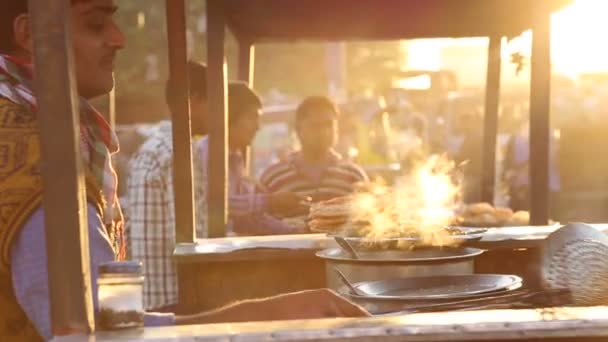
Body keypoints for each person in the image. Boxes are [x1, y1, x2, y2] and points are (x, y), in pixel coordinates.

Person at [0, 1, 367, 341]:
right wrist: (274, 311)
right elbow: (96, 329)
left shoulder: (42, 133)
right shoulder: (34, 153)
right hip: (164, 291)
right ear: (30, 34)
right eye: (96, 24)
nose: (119, 38)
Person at [126, 61, 208, 311]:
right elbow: (187, 240)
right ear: (193, 100)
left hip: (150, 296)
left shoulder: (152, 148)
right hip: (176, 300)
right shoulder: (177, 152)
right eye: (217, 101)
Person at [196, 82, 308, 236]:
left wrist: (297, 231)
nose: (257, 126)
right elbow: (217, 205)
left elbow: (248, 218)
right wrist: (270, 201)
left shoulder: (236, 158)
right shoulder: (207, 151)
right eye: (252, 117)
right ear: (230, 116)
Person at [260, 96, 368, 203]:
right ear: (298, 130)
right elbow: (257, 218)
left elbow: (369, 216)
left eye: (329, 125)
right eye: (315, 125)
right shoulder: (273, 179)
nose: (324, 132)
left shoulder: (354, 177)